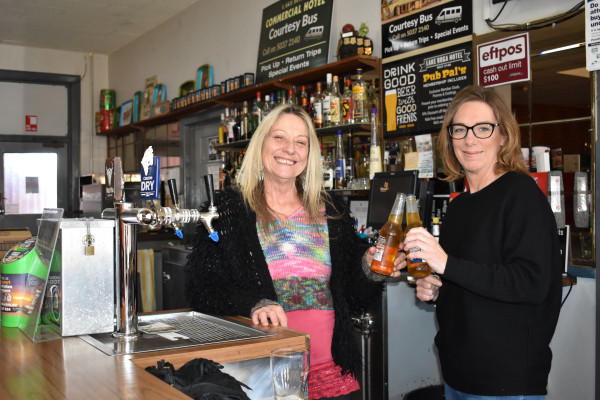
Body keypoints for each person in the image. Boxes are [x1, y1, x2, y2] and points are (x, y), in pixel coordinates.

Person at [186, 103, 405, 400]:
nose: (290, 149)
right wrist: (254, 304)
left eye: (300, 142)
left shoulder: (332, 211)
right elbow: (202, 290)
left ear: (309, 154)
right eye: (279, 137)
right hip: (261, 375)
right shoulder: (227, 211)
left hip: (330, 371)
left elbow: (351, 297)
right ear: (261, 144)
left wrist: (369, 268)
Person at [405, 85, 563, 399]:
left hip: (505, 381)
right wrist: (437, 288)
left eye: (482, 128)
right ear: (450, 138)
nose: (469, 139)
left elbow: (530, 283)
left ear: (503, 136)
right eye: (460, 129)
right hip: (457, 374)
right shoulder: (459, 206)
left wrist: (446, 264)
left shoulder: (520, 193)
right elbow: (470, 278)